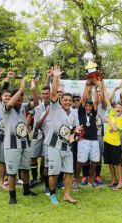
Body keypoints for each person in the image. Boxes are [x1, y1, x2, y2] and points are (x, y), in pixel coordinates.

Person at [45, 65, 79, 204]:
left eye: (70, 101)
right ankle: (53, 194)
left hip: (67, 148)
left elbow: (73, 134)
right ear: (61, 101)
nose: (67, 102)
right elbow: (53, 93)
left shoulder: (73, 114)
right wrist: (56, 77)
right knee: (53, 173)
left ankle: (66, 195)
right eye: (65, 100)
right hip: (53, 146)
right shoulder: (55, 108)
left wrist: (75, 134)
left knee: (69, 172)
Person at [4, 78, 39, 204]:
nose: (20, 102)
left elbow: (36, 103)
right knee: (12, 172)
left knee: (25, 169)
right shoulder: (6, 108)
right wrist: (21, 89)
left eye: (21, 100)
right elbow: (10, 104)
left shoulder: (24, 108)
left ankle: (26, 190)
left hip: (25, 143)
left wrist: (33, 89)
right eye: (18, 100)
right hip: (11, 145)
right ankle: (12, 196)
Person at [74, 80, 101, 189]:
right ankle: (76, 181)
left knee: (94, 161)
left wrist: (95, 88)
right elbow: (84, 99)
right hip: (83, 139)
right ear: (84, 106)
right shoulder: (80, 112)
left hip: (94, 140)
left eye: (90, 106)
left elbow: (96, 102)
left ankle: (91, 179)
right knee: (80, 161)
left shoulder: (94, 112)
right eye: (87, 106)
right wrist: (86, 86)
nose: (88, 107)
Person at [103, 85, 122, 190]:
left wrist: (108, 120)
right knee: (110, 162)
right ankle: (114, 180)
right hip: (107, 141)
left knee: (117, 163)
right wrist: (110, 88)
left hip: (117, 143)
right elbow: (107, 101)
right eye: (116, 107)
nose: (118, 108)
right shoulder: (112, 113)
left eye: (120, 108)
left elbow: (115, 128)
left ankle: (121, 182)